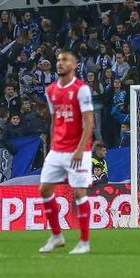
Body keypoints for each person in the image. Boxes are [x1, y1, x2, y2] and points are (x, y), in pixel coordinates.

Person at [38, 51, 95, 255]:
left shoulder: (81, 89)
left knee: (79, 192)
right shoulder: (50, 90)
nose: (60, 63)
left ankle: (84, 242)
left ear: (74, 65)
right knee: (44, 189)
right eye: (58, 60)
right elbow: (55, 120)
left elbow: (89, 121)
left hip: (78, 150)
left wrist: (81, 149)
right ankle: (56, 236)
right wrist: (53, 144)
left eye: (65, 60)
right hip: (58, 149)